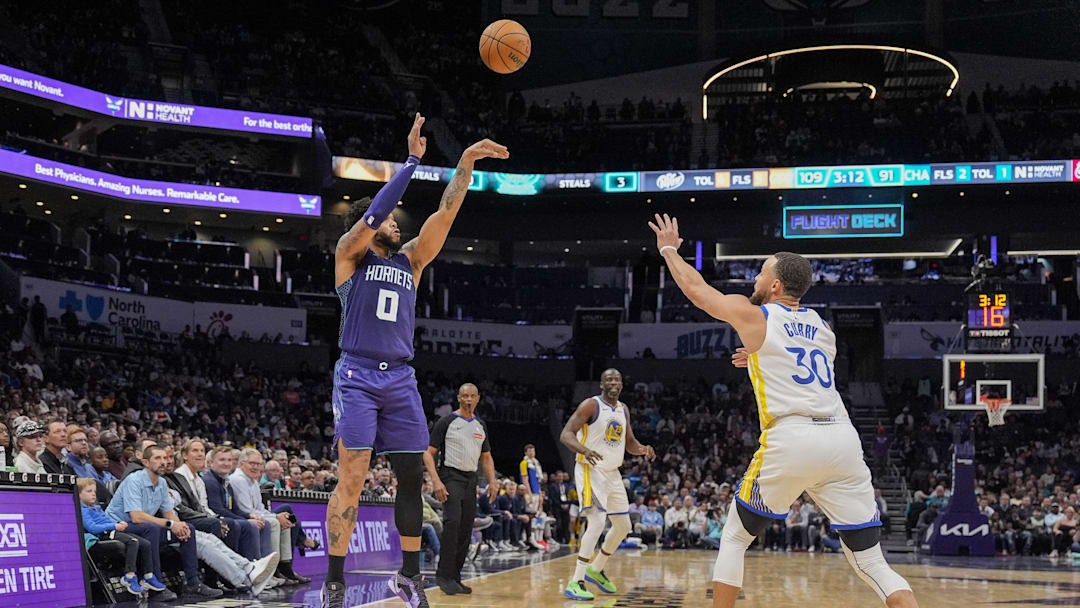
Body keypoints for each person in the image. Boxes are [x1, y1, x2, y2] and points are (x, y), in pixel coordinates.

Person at [649, 214, 918, 608]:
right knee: (871, 561)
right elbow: (799, 361)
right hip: (842, 439)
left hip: (793, 437)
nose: (755, 279)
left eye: (761, 273)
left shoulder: (756, 314)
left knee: (735, 536)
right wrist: (759, 357)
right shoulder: (823, 327)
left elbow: (698, 291)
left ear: (775, 285)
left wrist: (669, 251)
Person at [321, 112, 508, 608]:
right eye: (387, 218)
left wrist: (465, 162)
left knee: (410, 476)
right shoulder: (349, 255)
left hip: (401, 378)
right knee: (353, 477)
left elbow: (446, 212)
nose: (395, 221)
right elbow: (376, 211)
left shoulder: (412, 260)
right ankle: (334, 581)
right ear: (369, 225)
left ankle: (407, 577)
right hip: (358, 375)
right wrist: (410, 162)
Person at [559, 368, 656, 601]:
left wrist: (643, 449)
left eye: (617, 379)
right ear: (602, 384)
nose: (613, 382)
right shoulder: (591, 405)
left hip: (613, 473)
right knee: (597, 521)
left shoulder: (623, 409)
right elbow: (566, 434)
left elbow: (629, 442)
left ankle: (596, 568)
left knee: (623, 526)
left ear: (621, 384)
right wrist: (584, 450)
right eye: (609, 379)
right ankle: (576, 581)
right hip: (590, 468)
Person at [105, 444, 222, 600]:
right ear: (146, 462)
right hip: (118, 527)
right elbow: (136, 517)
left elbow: (169, 513)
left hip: (142, 528)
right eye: (158, 458)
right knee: (152, 528)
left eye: (165, 458)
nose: (163, 462)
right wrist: (171, 525)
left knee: (188, 528)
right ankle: (156, 587)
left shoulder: (161, 483)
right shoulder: (134, 480)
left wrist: (179, 525)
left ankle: (193, 584)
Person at [424, 383, 498, 595]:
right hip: (450, 476)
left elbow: (486, 457)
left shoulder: (480, 425)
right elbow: (428, 453)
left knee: (466, 528)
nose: (468, 399)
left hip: (471, 479)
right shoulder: (447, 422)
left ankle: (455, 577)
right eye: (464, 396)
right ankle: (443, 575)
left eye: (472, 396)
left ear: (478, 398)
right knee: (453, 523)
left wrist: (492, 481)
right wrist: (436, 481)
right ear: (458, 398)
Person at [231, 448, 308, 583]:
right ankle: (272, 569)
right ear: (241, 464)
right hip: (242, 517)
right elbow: (247, 510)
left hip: (254, 515)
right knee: (275, 522)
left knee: (286, 517)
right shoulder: (238, 479)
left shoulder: (253, 480)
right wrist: (275, 517)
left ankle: (285, 566)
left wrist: (276, 516)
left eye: (258, 464)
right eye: (252, 463)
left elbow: (260, 508)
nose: (256, 467)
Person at [78, 478, 154, 596]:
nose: (93, 494)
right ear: (79, 494)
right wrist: (114, 526)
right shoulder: (83, 511)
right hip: (104, 534)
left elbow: (107, 520)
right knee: (133, 541)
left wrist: (118, 523)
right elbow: (92, 527)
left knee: (145, 543)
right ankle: (129, 576)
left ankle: (148, 576)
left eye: (94, 491)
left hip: (112, 530)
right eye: (89, 491)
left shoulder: (97, 508)